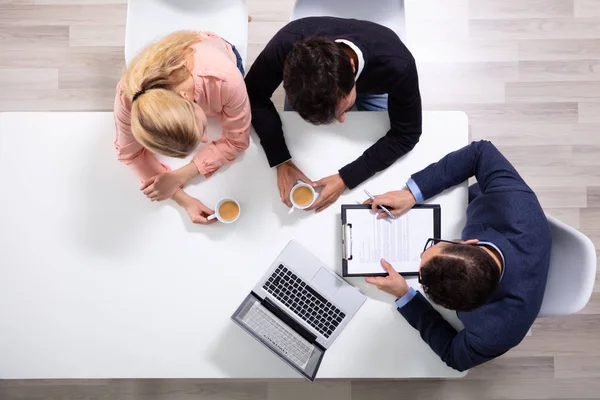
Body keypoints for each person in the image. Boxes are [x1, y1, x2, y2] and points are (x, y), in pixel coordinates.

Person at [364, 140, 552, 371]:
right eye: (432, 247)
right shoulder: (516, 206)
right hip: (488, 208)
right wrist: (412, 194)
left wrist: (404, 294)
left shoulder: (496, 333)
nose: (421, 253)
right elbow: (481, 152)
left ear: (464, 309)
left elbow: (454, 356)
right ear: (472, 242)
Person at [245, 17, 422, 212]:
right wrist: (280, 159)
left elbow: (407, 134)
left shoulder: (398, 65)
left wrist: (346, 178)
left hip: (378, 81)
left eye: (342, 110)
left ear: (352, 68)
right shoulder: (286, 44)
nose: (343, 120)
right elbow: (252, 96)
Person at [114, 31, 251, 225]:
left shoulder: (226, 80)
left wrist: (178, 176)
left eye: (203, 128)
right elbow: (130, 154)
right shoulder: (128, 95)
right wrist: (185, 200)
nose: (206, 138)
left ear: (187, 98)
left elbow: (237, 141)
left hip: (218, 53)